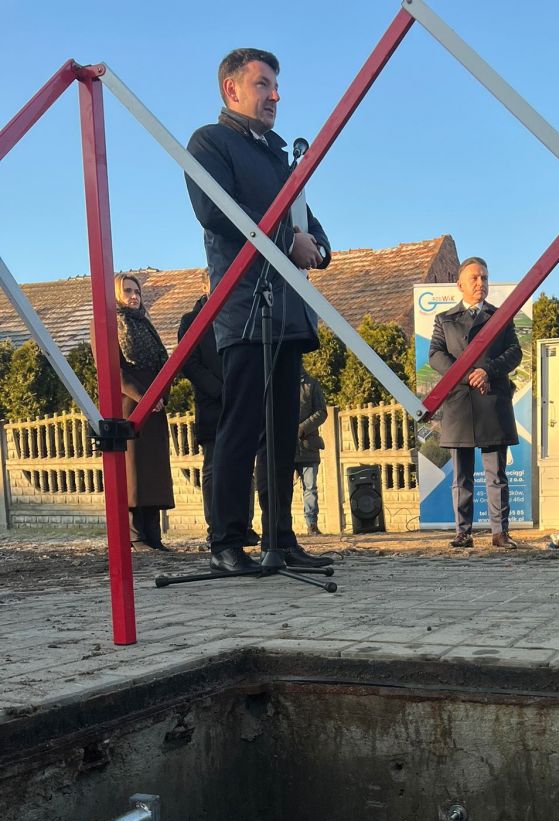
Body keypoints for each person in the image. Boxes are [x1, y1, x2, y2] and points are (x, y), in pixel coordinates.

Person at [185, 47, 332, 574]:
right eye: (263, 84)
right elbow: (216, 211)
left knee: (282, 430)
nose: (275, 95)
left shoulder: (277, 155)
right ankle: (226, 541)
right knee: (242, 424)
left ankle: (280, 539)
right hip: (245, 306)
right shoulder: (210, 142)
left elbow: (308, 222)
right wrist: (288, 240)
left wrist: (317, 246)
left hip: (289, 310)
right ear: (232, 89)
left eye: (276, 85)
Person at [428, 257, 523, 549]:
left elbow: (514, 352)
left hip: (493, 400)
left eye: (484, 277)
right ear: (460, 285)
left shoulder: (500, 316)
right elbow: (436, 355)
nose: (481, 283)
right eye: (474, 278)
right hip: (460, 404)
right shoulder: (444, 319)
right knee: (461, 476)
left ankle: (500, 533)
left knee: (496, 474)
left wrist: (488, 371)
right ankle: (463, 532)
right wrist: (469, 375)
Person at [96, 273, 174, 553]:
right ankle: (135, 535)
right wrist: (144, 397)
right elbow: (112, 370)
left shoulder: (145, 324)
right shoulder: (106, 324)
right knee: (133, 471)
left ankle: (154, 535)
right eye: (127, 290)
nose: (134, 296)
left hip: (155, 406)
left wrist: (161, 395)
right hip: (129, 406)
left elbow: (164, 363)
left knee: (154, 472)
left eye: (137, 291)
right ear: (116, 294)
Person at [177, 282, 259, 548]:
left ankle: (244, 526)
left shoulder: (240, 312)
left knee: (245, 466)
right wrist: (219, 390)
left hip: (241, 399)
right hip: (212, 403)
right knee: (214, 467)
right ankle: (217, 528)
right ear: (205, 285)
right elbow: (188, 362)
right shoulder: (191, 320)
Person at [294, 367, 328, 535]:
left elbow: (321, 412)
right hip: (284, 447)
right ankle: (282, 525)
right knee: (282, 490)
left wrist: (303, 428)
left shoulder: (311, 384)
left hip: (308, 445)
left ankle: (311, 523)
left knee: (310, 488)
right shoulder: (278, 381)